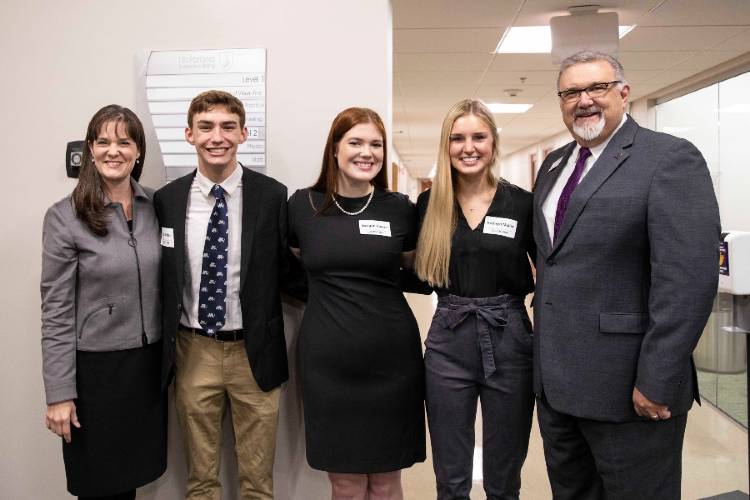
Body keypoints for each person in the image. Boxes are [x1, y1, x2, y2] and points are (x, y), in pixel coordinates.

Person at [533, 50, 720, 499]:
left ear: (624, 92)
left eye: (596, 87)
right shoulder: (554, 164)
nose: (584, 100)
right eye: (571, 91)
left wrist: (656, 378)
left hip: (629, 390)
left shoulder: (669, 158)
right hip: (557, 387)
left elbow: (687, 282)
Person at [153, 90, 293, 500]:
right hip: (193, 349)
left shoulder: (272, 196)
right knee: (200, 481)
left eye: (228, 127)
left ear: (244, 133)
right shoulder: (168, 200)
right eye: (207, 127)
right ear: (189, 134)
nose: (218, 136)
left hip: (255, 351)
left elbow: (289, 268)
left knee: (257, 483)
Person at [287, 107, 426, 500]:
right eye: (356, 142)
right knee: (345, 484)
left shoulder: (399, 208)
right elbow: (293, 266)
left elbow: (414, 270)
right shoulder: (304, 206)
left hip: (392, 363)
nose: (366, 152)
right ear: (334, 149)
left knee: (385, 482)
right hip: (328, 365)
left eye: (376, 144)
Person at [41, 105, 166, 500]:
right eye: (104, 141)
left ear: (139, 152)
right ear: (91, 150)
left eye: (124, 141)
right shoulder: (64, 217)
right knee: (99, 487)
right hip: (95, 374)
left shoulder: (156, 208)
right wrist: (59, 392)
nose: (114, 150)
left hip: (146, 369)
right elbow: (56, 312)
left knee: (130, 483)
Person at [414, 99, 535, 500]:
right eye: (457, 138)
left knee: (504, 471)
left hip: (510, 336)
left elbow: (552, 271)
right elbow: (412, 269)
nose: (469, 147)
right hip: (448, 338)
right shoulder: (430, 205)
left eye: (478, 136)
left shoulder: (521, 203)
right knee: (450, 472)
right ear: (445, 146)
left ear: (493, 142)